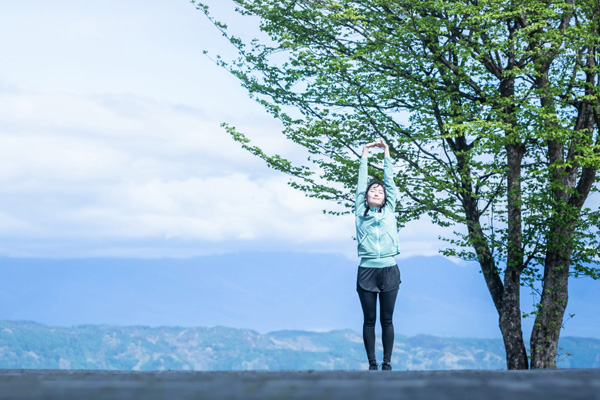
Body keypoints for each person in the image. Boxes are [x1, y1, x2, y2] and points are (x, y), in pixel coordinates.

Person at [355, 138, 401, 371]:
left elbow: (390, 183)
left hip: (390, 269)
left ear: (385, 199)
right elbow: (362, 183)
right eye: (373, 190)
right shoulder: (359, 212)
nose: (377, 191)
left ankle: (387, 363)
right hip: (367, 270)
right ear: (366, 197)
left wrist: (386, 153)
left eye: (380, 191)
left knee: (387, 320)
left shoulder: (390, 210)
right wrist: (365, 153)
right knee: (369, 320)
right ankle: (372, 364)